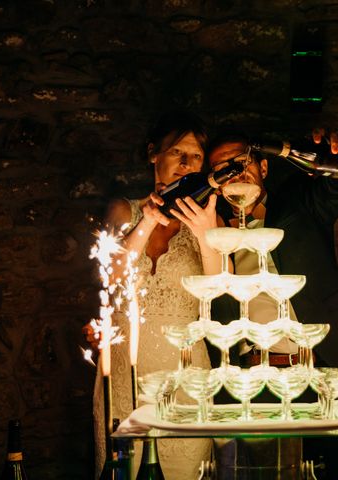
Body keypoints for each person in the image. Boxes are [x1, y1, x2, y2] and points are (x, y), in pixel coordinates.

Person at [208, 128, 338, 479]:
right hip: (252, 380)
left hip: (320, 371)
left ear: (263, 167)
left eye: (242, 163)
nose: (234, 173)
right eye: (223, 168)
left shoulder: (299, 202)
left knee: (336, 470)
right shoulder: (213, 235)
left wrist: (337, 151)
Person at [88, 110, 223, 479]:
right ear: (153, 154)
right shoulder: (122, 210)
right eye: (178, 152)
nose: (187, 163)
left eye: (196, 156)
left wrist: (208, 237)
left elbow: (221, 292)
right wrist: (147, 221)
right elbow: (110, 279)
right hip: (122, 375)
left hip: (186, 377)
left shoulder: (210, 219)